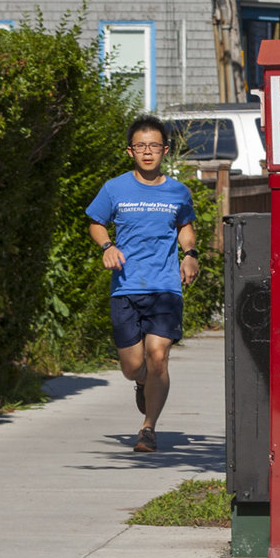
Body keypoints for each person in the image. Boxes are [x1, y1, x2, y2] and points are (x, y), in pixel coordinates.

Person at [87, 114, 200, 454]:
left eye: (154, 146)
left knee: (158, 356)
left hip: (165, 287)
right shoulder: (114, 188)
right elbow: (96, 222)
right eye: (140, 146)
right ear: (130, 151)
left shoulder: (178, 191)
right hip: (126, 287)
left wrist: (190, 254)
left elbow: (185, 227)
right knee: (133, 366)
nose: (147, 152)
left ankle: (148, 428)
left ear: (165, 149)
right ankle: (141, 382)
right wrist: (107, 246)